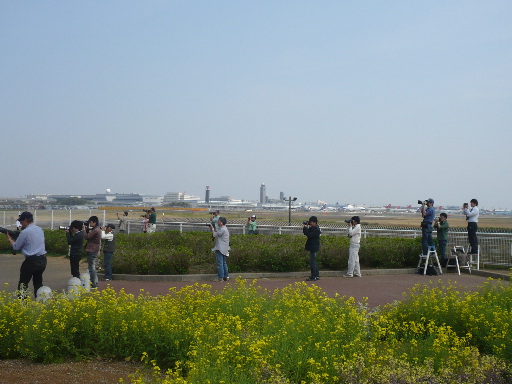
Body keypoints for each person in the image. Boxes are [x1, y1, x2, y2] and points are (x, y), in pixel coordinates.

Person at [4, 211, 47, 298]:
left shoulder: (25, 232)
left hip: (31, 261)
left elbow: (16, 247)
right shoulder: (39, 229)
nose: (20, 223)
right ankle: (40, 301)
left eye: (21, 221)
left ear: (25, 220)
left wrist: (10, 240)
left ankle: (23, 304)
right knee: (38, 283)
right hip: (42, 260)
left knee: (23, 284)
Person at [83, 216, 101, 288]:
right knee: (93, 267)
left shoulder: (95, 230)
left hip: (92, 250)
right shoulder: (97, 229)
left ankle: (94, 283)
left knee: (91, 268)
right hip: (94, 250)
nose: (90, 224)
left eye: (90, 222)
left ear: (94, 222)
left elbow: (87, 237)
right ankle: (95, 282)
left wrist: (84, 230)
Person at [210, 217, 230, 282]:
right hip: (224, 248)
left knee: (220, 263)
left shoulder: (222, 229)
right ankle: (226, 276)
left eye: (218, 221)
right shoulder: (224, 229)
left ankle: (220, 277)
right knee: (224, 263)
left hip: (220, 248)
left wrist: (213, 229)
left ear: (221, 222)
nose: (217, 222)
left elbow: (215, 235)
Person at [303, 216, 321, 281]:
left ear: (315, 222)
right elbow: (306, 233)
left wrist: (305, 227)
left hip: (313, 247)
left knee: (313, 262)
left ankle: (313, 276)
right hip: (312, 247)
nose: (310, 223)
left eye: (311, 222)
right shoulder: (313, 228)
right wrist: (305, 227)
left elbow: (309, 235)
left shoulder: (316, 230)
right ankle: (317, 275)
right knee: (314, 261)